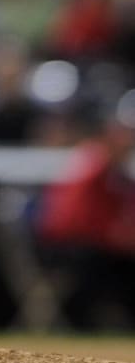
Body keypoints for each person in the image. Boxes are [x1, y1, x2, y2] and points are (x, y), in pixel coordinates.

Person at [33, 98, 135, 329]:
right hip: (66, 247)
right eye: (125, 134)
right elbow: (68, 222)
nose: (129, 141)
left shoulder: (113, 170)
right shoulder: (93, 165)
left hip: (90, 244)